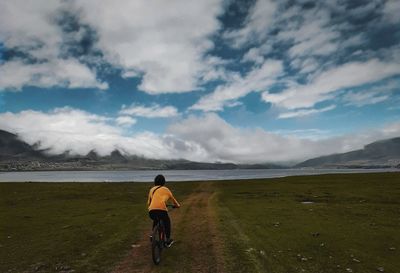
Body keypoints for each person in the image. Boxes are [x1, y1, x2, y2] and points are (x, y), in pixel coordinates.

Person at [148, 174, 180, 247]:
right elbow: (173, 199)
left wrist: (151, 207)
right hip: (162, 210)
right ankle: (168, 241)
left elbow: (149, 202)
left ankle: (152, 235)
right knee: (167, 222)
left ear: (155, 181)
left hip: (151, 211)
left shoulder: (151, 190)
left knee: (156, 220)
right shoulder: (166, 189)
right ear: (163, 182)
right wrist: (177, 205)